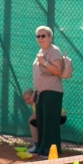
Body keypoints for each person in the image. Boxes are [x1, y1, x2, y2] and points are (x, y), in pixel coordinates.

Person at [30, 25, 65, 157]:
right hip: (40, 93)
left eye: (43, 36)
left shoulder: (54, 51)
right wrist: (35, 91)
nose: (40, 38)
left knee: (50, 122)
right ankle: (41, 148)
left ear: (50, 37)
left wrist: (44, 62)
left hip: (52, 92)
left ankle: (51, 151)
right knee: (42, 121)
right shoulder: (40, 51)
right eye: (38, 36)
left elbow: (58, 71)